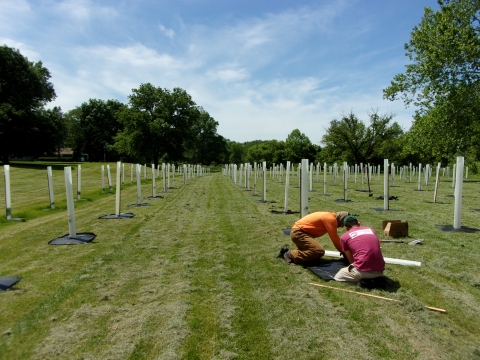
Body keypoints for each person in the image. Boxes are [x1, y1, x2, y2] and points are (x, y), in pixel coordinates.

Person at [282, 211, 349, 265]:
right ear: (341, 219)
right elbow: (335, 239)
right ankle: (290, 254)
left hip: (300, 232)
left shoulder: (330, 216)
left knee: (314, 255)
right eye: (343, 224)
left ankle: (294, 252)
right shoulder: (331, 219)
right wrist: (344, 252)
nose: (342, 227)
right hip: (299, 233)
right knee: (318, 251)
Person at [333, 215, 385, 283]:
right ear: (359, 223)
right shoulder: (371, 230)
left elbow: (351, 261)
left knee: (338, 276)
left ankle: (365, 280)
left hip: (362, 271)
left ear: (346, 228)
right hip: (380, 270)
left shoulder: (344, 237)